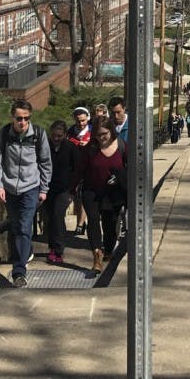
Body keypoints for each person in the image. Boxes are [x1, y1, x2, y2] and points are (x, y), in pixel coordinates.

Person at [0, 99, 51, 287]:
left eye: (26, 118)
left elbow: (46, 163)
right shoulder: (3, 135)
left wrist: (44, 188)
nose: (23, 122)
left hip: (30, 187)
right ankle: (26, 251)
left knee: (24, 228)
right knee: (16, 228)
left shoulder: (38, 135)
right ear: (12, 117)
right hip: (9, 189)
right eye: (19, 118)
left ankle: (19, 273)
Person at [75, 116, 127, 273]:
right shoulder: (90, 148)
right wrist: (71, 189)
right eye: (97, 135)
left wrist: (119, 178)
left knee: (110, 224)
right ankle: (96, 255)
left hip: (113, 194)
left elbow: (130, 169)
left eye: (104, 134)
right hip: (92, 191)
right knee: (93, 221)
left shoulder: (123, 147)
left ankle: (109, 249)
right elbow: (79, 170)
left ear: (111, 131)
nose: (101, 138)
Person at [43, 121, 78, 265]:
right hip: (48, 188)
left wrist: (72, 188)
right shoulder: (45, 147)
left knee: (58, 215)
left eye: (59, 136)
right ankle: (52, 247)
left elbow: (77, 169)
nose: (56, 138)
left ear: (64, 135)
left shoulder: (70, 148)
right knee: (50, 218)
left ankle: (58, 249)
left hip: (64, 189)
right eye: (54, 135)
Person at [65, 106, 91, 234]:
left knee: (83, 196)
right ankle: (81, 221)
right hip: (73, 169)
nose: (81, 124)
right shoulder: (69, 133)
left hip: (88, 169)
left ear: (87, 119)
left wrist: (89, 145)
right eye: (78, 121)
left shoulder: (93, 132)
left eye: (83, 121)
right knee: (75, 197)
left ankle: (80, 225)